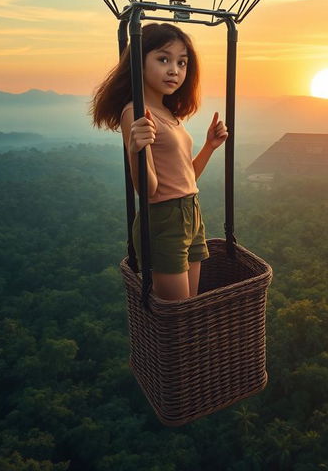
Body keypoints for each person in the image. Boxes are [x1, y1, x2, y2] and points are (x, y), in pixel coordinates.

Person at [91, 22, 228, 300]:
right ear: (139, 63)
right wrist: (135, 150)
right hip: (164, 218)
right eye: (163, 59)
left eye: (182, 63)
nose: (174, 70)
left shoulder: (168, 112)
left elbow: (185, 177)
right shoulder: (136, 112)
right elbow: (150, 191)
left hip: (190, 212)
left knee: (190, 304)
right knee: (176, 312)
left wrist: (210, 147)